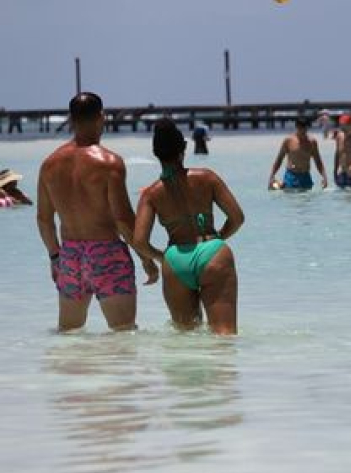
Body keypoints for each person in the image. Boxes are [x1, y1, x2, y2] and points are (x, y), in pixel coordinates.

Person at [35, 92, 159, 332]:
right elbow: (123, 220)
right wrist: (145, 257)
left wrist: (55, 257)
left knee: (69, 335)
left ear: (71, 120)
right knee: (123, 335)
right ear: (102, 117)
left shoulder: (49, 164)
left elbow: (43, 219)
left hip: (70, 256)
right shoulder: (109, 163)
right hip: (106, 253)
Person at [134, 119, 244, 335]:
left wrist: (160, 257)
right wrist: (218, 238)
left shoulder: (151, 194)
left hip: (175, 260)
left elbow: (139, 241)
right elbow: (237, 218)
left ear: (157, 154)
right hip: (212, 252)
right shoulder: (207, 177)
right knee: (224, 336)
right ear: (183, 149)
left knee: (185, 337)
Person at [267, 117, 328, 190]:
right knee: (292, 199)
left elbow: (318, 161)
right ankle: (279, 184)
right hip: (291, 176)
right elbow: (279, 159)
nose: (303, 131)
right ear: (297, 127)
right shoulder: (288, 140)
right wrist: (271, 176)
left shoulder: (312, 142)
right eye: (300, 128)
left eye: (305, 129)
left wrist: (324, 177)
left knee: (306, 199)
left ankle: (280, 185)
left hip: (306, 176)